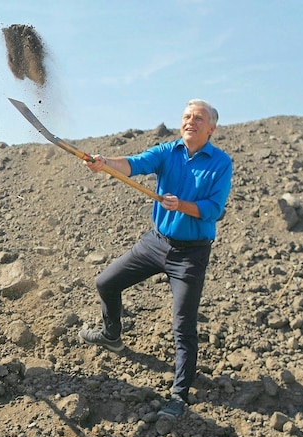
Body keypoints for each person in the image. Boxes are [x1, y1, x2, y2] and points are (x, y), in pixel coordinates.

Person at [78, 99, 232, 419]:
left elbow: (213, 209)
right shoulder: (168, 151)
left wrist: (182, 205)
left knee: (183, 325)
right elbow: (135, 164)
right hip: (156, 243)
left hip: (190, 254)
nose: (190, 121)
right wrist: (105, 162)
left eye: (198, 118)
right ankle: (112, 336)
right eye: (187, 116)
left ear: (211, 128)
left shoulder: (220, 163)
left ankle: (178, 396)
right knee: (105, 282)